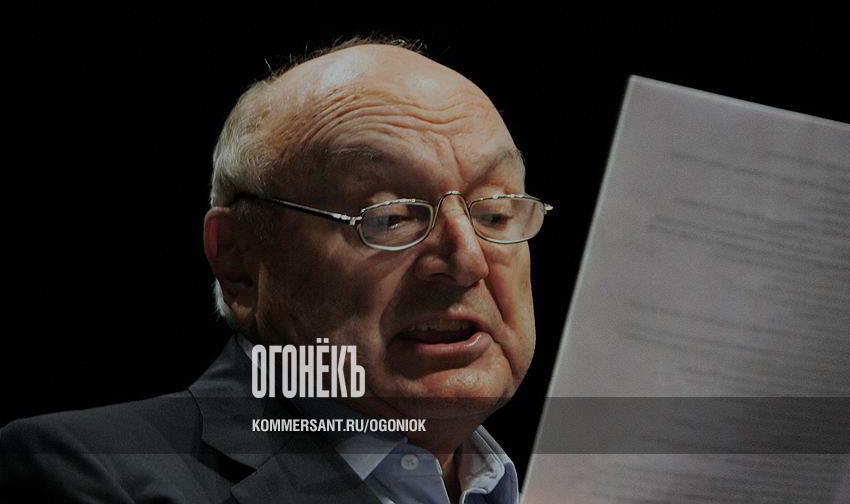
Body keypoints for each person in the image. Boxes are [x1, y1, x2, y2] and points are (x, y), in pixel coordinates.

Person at [0, 37, 551, 503]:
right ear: (239, 260)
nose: (468, 261)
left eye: (495, 214)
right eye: (389, 218)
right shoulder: (87, 474)